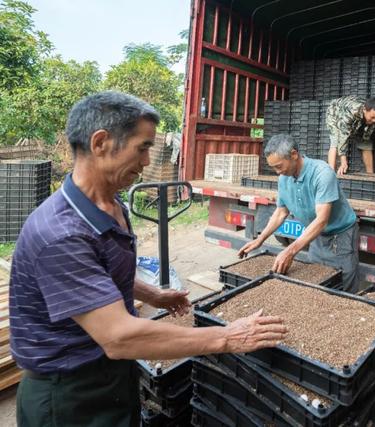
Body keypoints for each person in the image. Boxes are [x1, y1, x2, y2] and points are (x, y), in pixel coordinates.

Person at [9, 91, 287, 427]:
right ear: (101, 143)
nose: (146, 161)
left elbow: (102, 273)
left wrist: (151, 295)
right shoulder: (61, 234)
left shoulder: (111, 205)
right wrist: (228, 337)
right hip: (68, 395)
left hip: (110, 375)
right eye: (142, 147)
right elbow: (119, 337)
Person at [238, 134, 360, 293]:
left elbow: (322, 220)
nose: (277, 172)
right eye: (273, 167)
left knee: (344, 286)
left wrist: (290, 250)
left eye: (279, 166)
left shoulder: (322, 173)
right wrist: (260, 239)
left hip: (341, 236)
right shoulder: (284, 178)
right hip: (316, 235)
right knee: (318, 280)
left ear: (294, 155)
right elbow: (281, 212)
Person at [326, 95, 375, 177]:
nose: (374, 120)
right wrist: (343, 161)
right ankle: (330, 174)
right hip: (335, 112)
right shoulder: (352, 112)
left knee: (366, 142)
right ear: (364, 110)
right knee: (335, 141)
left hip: (358, 118)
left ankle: (370, 175)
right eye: (372, 117)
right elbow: (343, 136)